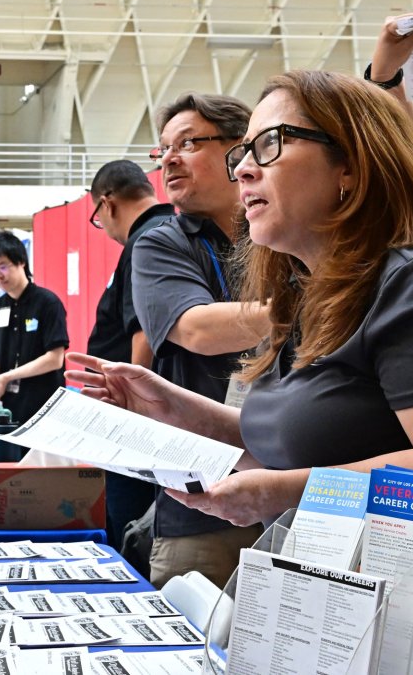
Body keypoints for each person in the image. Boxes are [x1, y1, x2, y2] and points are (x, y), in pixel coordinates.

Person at [70, 67, 413, 620]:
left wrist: (280, 493)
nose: (243, 169)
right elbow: (299, 442)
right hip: (330, 597)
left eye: (269, 145)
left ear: (351, 169)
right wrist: (174, 407)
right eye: (242, 153)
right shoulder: (311, 293)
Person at [130, 92, 267, 589]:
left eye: (188, 143)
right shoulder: (163, 241)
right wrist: (308, 313)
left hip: (300, 497)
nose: (168, 159)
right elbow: (198, 329)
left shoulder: (282, 232)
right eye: (163, 149)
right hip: (201, 503)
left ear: (243, 150)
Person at [84, 160, 175, 556]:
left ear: (107, 204)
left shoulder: (146, 242)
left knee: (129, 526)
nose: (103, 228)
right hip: (146, 413)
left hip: (134, 421)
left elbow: (144, 334)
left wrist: (131, 411)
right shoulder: (169, 229)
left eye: (97, 218)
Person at [0, 232, 69, 425]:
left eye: (3, 266)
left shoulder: (48, 303)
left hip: (43, 407)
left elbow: (54, 359)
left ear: (21, 262)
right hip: (6, 409)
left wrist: (7, 377)